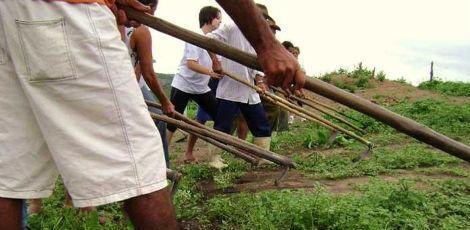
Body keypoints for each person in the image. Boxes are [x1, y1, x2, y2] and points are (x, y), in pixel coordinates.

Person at [0, 0, 304, 228]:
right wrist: (267, 44)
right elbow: (150, 71)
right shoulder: (159, 35)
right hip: (62, 13)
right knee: (141, 165)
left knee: (7, 175)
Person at [208, 6, 273, 154]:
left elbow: (257, 64)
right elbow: (209, 40)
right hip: (230, 87)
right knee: (222, 127)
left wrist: (260, 81)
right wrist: (215, 61)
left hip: (249, 88)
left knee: (261, 125)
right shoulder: (231, 27)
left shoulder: (259, 36)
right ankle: (215, 159)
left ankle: (263, 157)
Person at [166, 6, 223, 163]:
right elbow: (191, 64)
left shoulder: (214, 41)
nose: (220, 22)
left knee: (219, 116)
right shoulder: (195, 37)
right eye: (219, 18)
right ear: (210, 19)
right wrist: (211, 73)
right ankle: (162, 158)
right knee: (172, 122)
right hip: (183, 84)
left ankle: (212, 156)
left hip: (200, 88)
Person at [120, 0, 174, 167]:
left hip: (126, 85)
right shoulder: (141, 31)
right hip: (122, 86)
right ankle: (163, 167)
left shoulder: (109, 19)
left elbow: (138, 69)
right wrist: (165, 102)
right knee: (158, 119)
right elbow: (149, 74)